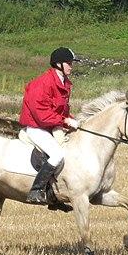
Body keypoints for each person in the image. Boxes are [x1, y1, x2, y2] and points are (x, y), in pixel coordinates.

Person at [18, 47, 80, 208]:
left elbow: (61, 110)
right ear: (58, 64)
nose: (71, 66)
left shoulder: (64, 83)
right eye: (68, 63)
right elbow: (42, 115)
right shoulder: (42, 83)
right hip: (36, 127)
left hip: (51, 126)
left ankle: (53, 196)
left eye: (71, 63)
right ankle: (36, 190)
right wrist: (65, 121)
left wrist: (72, 121)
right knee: (58, 155)